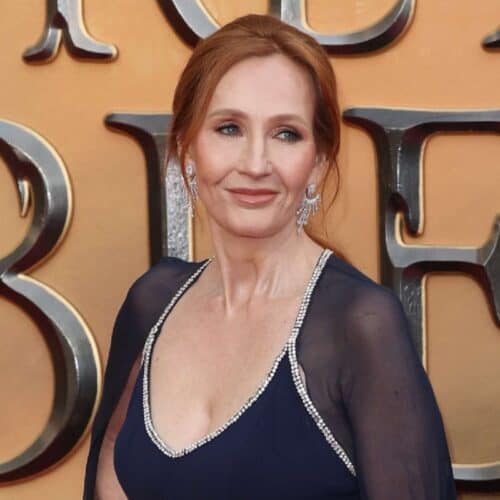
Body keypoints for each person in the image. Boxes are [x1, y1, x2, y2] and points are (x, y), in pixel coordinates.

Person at [83, 13, 456, 500]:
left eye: (286, 134)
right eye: (229, 128)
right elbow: (112, 458)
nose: (256, 163)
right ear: (187, 148)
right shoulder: (151, 302)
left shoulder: (359, 324)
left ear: (317, 162)